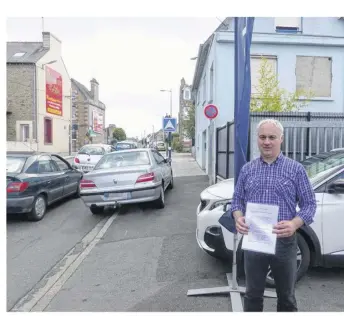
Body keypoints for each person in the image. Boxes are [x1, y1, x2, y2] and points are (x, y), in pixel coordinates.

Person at [230, 119, 317, 312]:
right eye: (262, 137)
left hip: (284, 242)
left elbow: (309, 204)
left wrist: (295, 224)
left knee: (286, 296)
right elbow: (236, 202)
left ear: (281, 139)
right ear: (257, 139)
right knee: (252, 295)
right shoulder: (247, 169)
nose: (267, 142)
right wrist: (238, 217)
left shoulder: (296, 170)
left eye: (272, 137)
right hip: (254, 240)